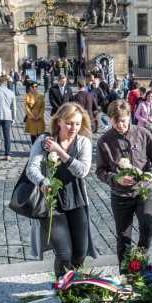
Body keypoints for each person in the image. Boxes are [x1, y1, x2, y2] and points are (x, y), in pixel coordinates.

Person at [26, 103, 96, 279]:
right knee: (64, 253)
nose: (74, 128)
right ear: (59, 122)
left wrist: (59, 151)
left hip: (76, 200)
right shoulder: (45, 140)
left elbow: (82, 170)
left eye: (78, 124)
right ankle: (62, 290)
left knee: (80, 252)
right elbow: (31, 168)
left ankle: (75, 285)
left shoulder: (83, 142)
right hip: (52, 203)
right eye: (69, 123)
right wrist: (42, 180)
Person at [95, 99, 152, 265]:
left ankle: (138, 260)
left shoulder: (142, 133)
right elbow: (100, 171)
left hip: (142, 192)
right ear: (110, 119)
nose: (120, 125)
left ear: (129, 117)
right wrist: (116, 178)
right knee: (124, 237)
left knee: (148, 226)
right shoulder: (104, 141)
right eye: (115, 122)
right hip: (119, 196)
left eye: (123, 121)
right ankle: (125, 274)